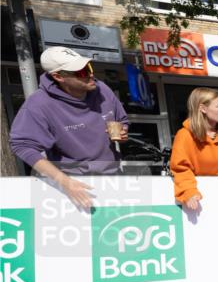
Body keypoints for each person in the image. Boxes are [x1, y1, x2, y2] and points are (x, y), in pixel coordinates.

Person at [10, 47, 129, 209]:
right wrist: (64, 182)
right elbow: (22, 145)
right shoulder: (39, 104)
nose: (90, 74)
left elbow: (121, 120)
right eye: (81, 72)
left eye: (89, 67)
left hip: (113, 179)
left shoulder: (102, 90)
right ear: (58, 76)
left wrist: (123, 132)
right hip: (72, 186)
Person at [169, 88, 218, 211]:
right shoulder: (185, 135)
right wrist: (189, 191)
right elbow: (180, 169)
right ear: (203, 108)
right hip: (201, 197)